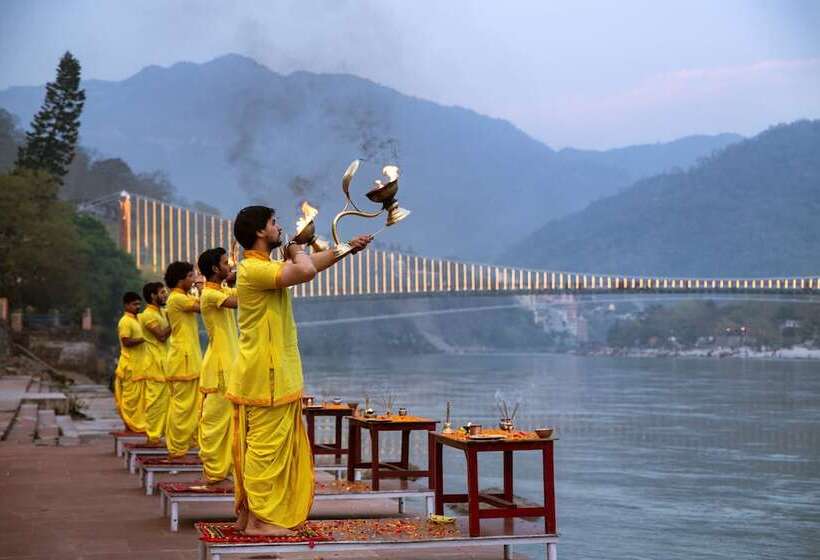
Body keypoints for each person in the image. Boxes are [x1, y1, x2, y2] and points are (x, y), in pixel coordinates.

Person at [227, 205, 371, 536]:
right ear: (261, 232)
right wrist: (296, 248)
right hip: (268, 375)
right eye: (274, 223)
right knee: (266, 447)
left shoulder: (262, 268)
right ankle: (261, 521)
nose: (279, 228)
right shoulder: (252, 269)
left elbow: (308, 266)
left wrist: (346, 248)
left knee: (264, 446)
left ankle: (251, 516)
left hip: (267, 374)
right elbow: (304, 270)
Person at [196, 247, 239, 486]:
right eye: (226, 263)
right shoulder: (210, 295)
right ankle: (212, 471)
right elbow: (241, 300)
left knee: (229, 422)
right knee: (213, 421)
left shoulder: (219, 290)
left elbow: (240, 292)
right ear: (215, 269)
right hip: (220, 367)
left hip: (230, 364)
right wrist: (250, 275)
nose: (230, 266)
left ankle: (224, 469)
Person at [164, 261, 203, 458]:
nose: (194, 280)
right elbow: (204, 305)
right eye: (191, 276)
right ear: (180, 280)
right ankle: (177, 449)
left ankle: (187, 445)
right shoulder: (177, 299)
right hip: (182, 360)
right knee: (182, 407)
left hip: (187, 358)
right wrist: (204, 286)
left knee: (192, 405)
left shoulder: (181, 297)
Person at [138, 282, 171, 444]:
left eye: (165, 292)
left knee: (167, 401)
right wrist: (174, 321)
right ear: (153, 296)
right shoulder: (147, 315)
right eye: (162, 292)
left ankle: (163, 434)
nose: (165, 295)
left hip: (166, 361)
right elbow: (162, 336)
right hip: (154, 363)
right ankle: (153, 436)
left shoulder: (163, 312)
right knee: (155, 402)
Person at [115, 291, 147, 433]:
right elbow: (126, 341)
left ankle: (139, 427)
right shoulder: (125, 321)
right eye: (134, 304)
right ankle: (129, 427)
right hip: (129, 366)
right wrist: (143, 339)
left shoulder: (139, 319)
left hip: (141, 366)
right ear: (126, 305)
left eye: (139, 304)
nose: (137, 307)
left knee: (141, 400)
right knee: (130, 399)